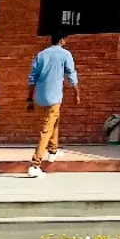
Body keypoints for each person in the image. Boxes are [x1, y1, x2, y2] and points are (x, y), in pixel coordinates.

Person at [26, 31, 79, 176]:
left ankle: (53, 151)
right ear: (62, 40)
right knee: (46, 129)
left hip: (40, 97)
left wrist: (29, 98)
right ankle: (35, 165)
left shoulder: (41, 55)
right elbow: (71, 74)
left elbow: (32, 78)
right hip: (54, 97)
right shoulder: (65, 54)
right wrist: (76, 93)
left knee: (54, 121)